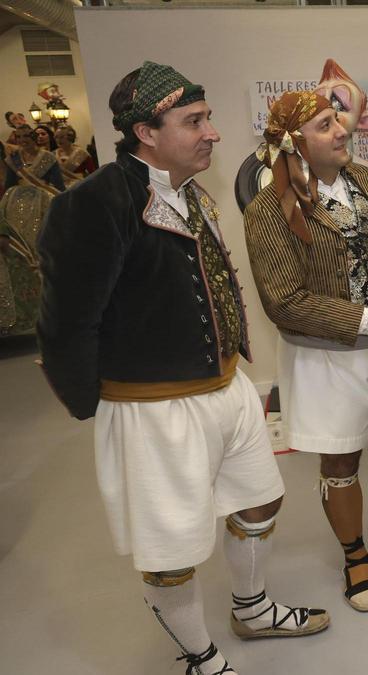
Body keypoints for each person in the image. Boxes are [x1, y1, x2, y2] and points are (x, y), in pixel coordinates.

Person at [37, 62, 328, 675]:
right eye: (194, 121)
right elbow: (66, 324)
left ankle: (252, 610)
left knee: (260, 501)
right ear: (146, 132)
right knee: (170, 549)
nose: (212, 133)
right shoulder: (92, 204)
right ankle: (200, 656)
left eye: (208, 119)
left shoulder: (189, 191)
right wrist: (95, 404)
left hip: (227, 388)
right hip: (153, 409)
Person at [243, 91, 368, 614]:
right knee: (340, 456)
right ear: (295, 142)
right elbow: (282, 301)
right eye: (326, 125)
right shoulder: (269, 209)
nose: (341, 131)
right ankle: (354, 555)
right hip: (325, 356)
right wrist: (367, 319)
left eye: (339, 120)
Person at [0, 124, 63, 336]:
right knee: (21, 251)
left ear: (34, 137)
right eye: (19, 137)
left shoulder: (48, 158)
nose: (23, 140)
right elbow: (9, 183)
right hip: (13, 203)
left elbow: (58, 185)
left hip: (42, 201)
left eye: (27, 135)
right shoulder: (13, 159)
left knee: (42, 245)